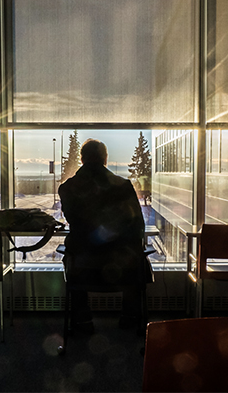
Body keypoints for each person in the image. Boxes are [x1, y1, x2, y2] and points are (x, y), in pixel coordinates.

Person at [58, 139, 152, 332]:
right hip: (121, 269)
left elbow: (76, 222)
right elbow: (137, 225)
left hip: (83, 269)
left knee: (73, 253)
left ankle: (82, 322)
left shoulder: (67, 188)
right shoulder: (123, 186)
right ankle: (130, 318)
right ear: (105, 159)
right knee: (134, 257)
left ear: (82, 159)